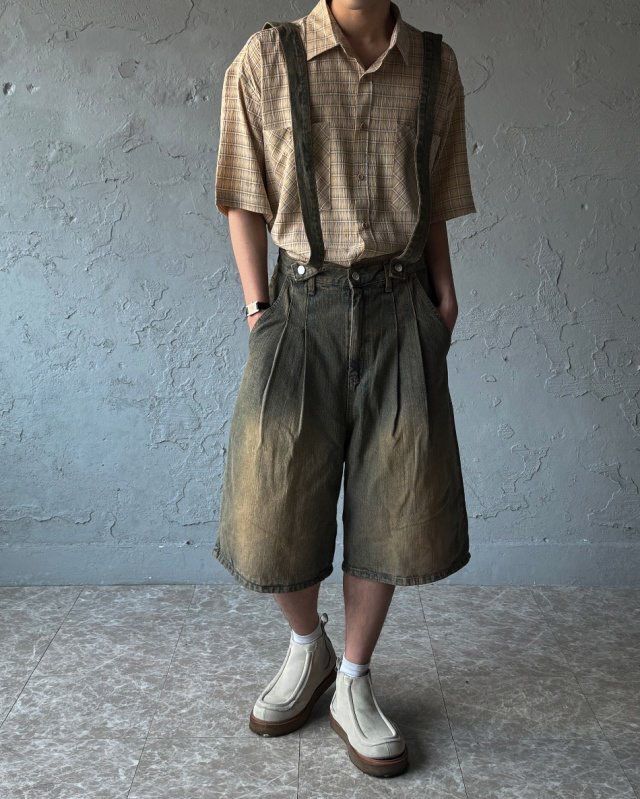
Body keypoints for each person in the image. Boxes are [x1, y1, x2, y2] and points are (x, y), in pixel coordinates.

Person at [212, 0, 476, 778]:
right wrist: (258, 308)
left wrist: (444, 294)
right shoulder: (267, 59)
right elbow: (241, 193)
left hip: (401, 304)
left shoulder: (435, 67)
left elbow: (436, 197)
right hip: (298, 307)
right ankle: (309, 645)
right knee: (269, 504)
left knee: (394, 503)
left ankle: (353, 678)